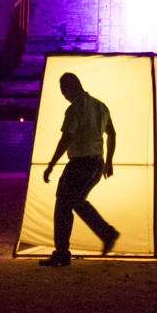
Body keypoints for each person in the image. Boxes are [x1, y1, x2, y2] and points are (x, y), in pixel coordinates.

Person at [40, 72, 120, 266]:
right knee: (74, 200)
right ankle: (104, 233)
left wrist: (51, 165)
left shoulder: (74, 109)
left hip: (80, 162)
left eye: (64, 91)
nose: (64, 95)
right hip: (97, 163)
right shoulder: (101, 106)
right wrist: (108, 162)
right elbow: (112, 134)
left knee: (63, 203)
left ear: (71, 87)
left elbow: (66, 139)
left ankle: (64, 252)